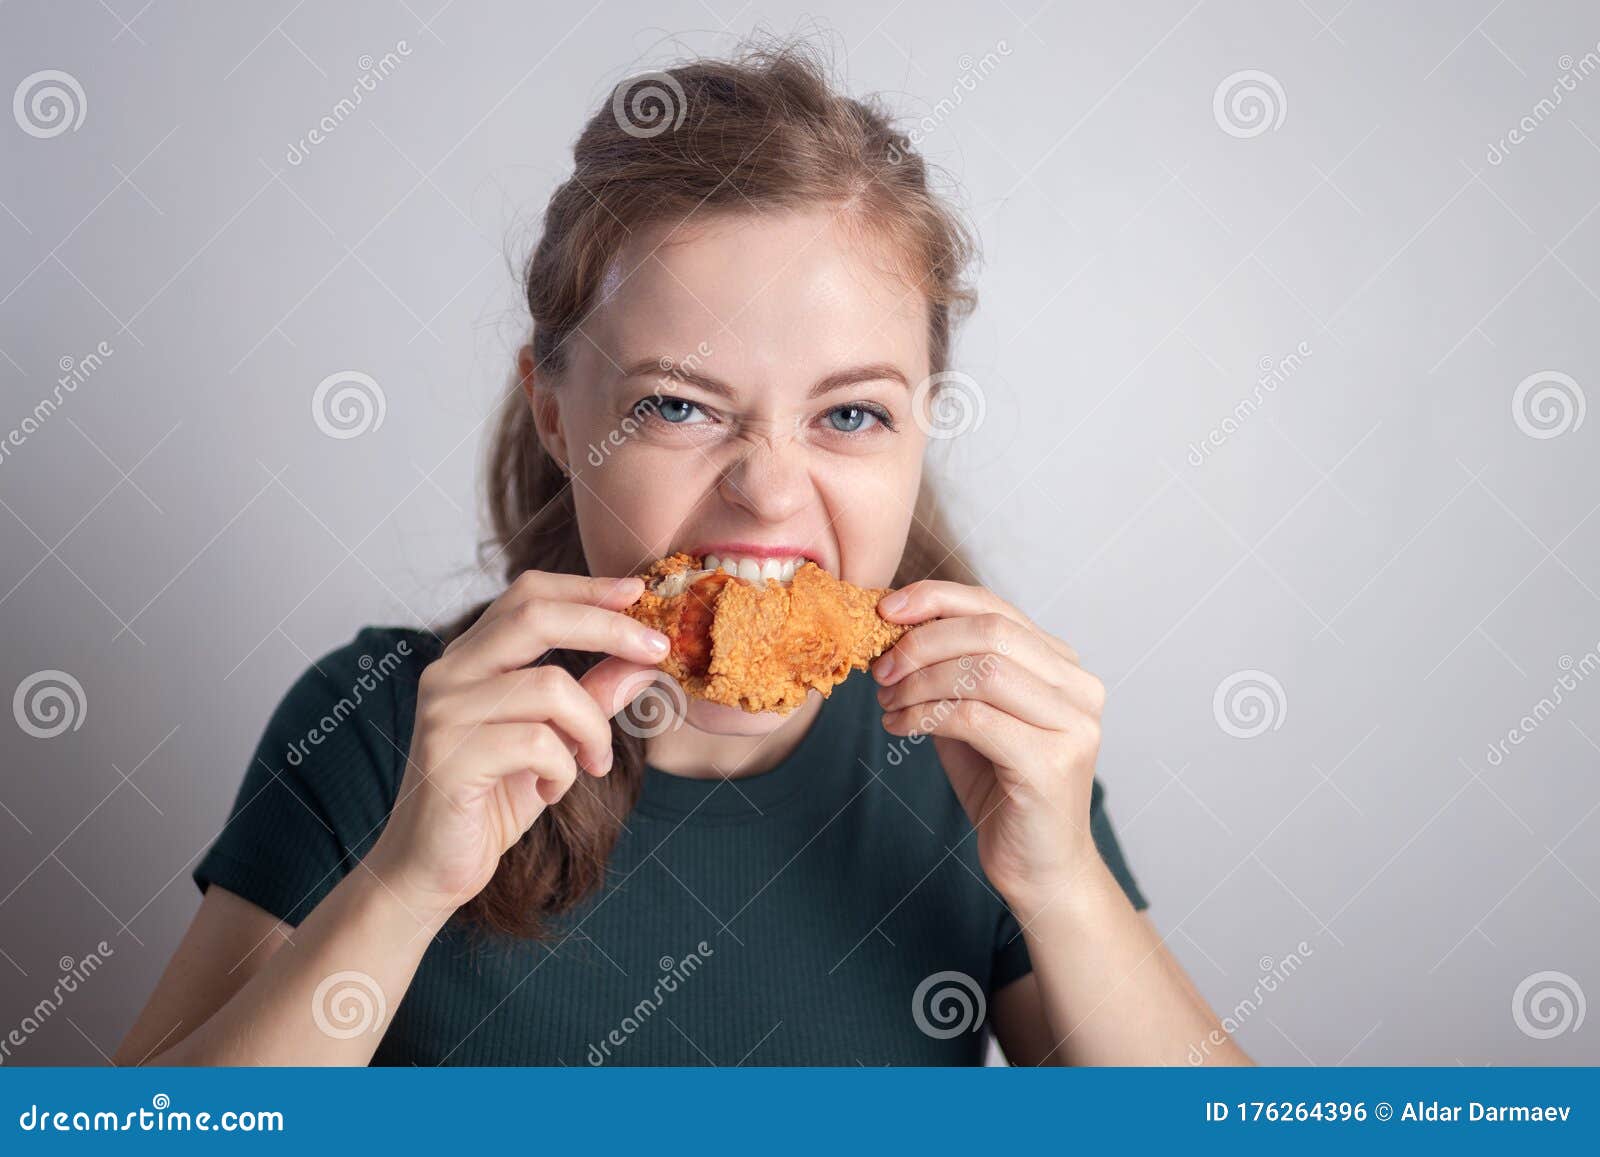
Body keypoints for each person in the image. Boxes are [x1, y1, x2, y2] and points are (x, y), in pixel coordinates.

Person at [115, 42, 1247, 1067]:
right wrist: (404, 887)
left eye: (850, 414)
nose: (766, 486)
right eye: (676, 406)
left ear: (920, 427)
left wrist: (1060, 883)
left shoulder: (982, 755)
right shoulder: (380, 727)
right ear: (557, 414)